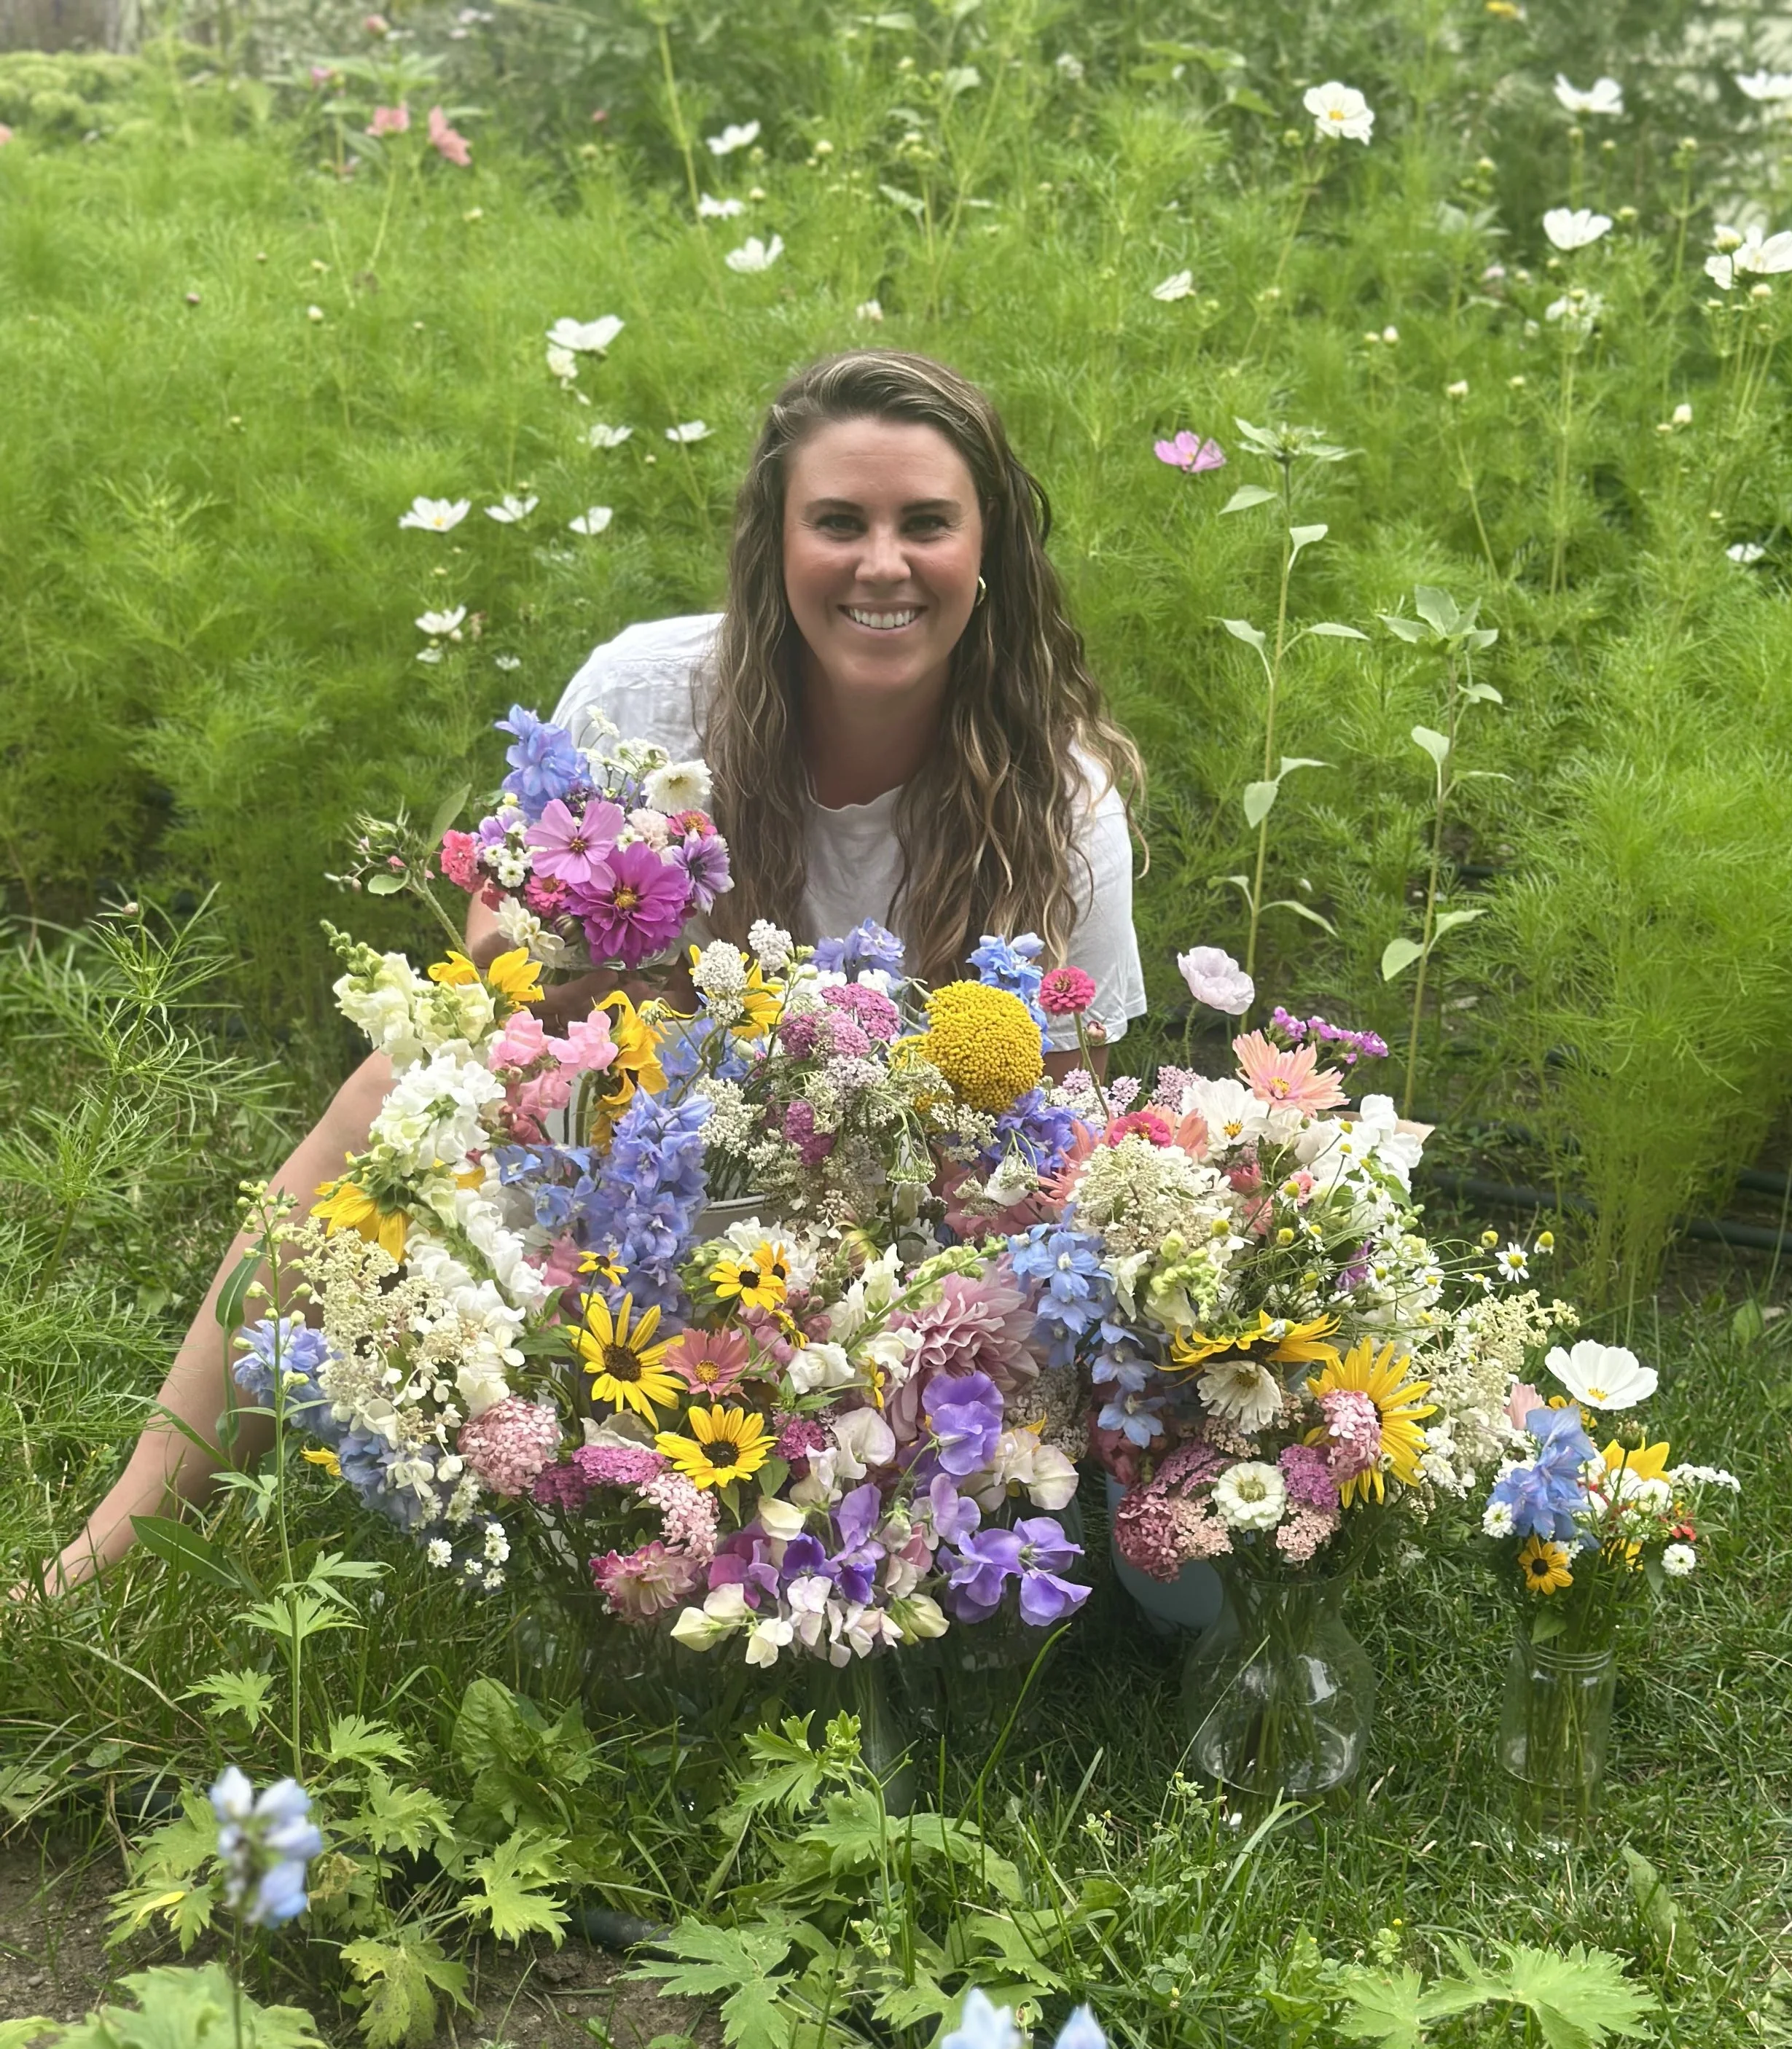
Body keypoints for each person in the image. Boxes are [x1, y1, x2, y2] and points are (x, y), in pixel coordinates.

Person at [36, 347, 1146, 1593]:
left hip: (885, 1232)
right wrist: (550, 957)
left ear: (986, 552)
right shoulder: (652, 694)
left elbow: (1070, 1110)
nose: (881, 564)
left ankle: (774, 1552)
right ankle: (116, 1541)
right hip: (626, 1172)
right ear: (776, 548)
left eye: (925, 524)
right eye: (837, 522)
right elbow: (493, 963)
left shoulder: (1057, 792)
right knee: (389, 1097)